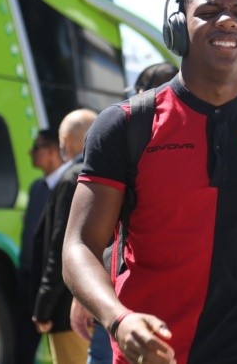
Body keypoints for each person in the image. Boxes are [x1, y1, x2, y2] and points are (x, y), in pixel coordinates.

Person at [61, 0, 237, 364]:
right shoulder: (126, 125)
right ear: (178, 29)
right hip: (152, 352)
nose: (228, 22)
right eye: (210, 12)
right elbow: (79, 245)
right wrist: (118, 319)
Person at [70, 62, 179, 364]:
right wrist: (87, 296)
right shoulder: (125, 135)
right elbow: (90, 239)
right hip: (120, 305)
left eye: (141, 92)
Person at [32, 108, 98, 364]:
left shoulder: (72, 179)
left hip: (67, 310)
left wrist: (43, 305)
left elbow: (60, 245)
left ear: (64, 143)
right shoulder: (109, 174)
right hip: (100, 302)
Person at [17, 129, 66, 363]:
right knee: (24, 347)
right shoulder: (37, 187)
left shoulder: (67, 185)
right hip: (29, 280)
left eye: (36, 147)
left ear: (52, 151)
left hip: (56, 284)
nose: (31, 152)